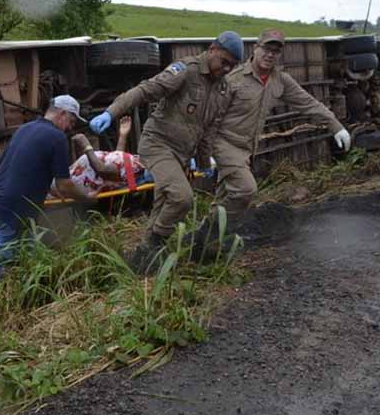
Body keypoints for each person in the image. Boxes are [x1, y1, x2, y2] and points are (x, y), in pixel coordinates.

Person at [89, 31, 244, 271]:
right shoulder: (186, 70)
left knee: (163, 204)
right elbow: (145, 90)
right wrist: (112, 112)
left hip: (182, 154)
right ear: (212, 49)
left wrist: (204, 162)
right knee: (182, 198)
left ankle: (144, 262)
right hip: (157, 145)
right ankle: (154, 243)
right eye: (224, 62)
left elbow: (209, 129)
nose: (226, 69)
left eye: (232, 66)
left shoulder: (222, 90)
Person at [204, 28, 352, 250]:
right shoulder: (234, 79)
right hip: (224, 144)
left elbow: (308, 103)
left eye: (275, 51)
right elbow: (210, 115)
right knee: (246, 189)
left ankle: (207, 240)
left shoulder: (280, 80)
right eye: (266, 49)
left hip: (247, 148)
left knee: (228, 194)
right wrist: (206, 151)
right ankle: (211, 235)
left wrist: (336, 125)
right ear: (256, 48)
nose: (270, 55)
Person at [0, 95, 97, 279]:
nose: (70, 127)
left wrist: (46, 189)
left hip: (3, 201)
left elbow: (1, 166)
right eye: (71, 121)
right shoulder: (57, 137)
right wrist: (86, 197)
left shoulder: (24, 128)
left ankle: (28, 285)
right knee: (4, 256)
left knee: (29, 250)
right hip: (15, 207)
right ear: (62, 114)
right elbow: (64, 185)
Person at [67, 116, 149, 195]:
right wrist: (123, 136)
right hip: (77, 175)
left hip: (77, 181)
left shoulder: (136, 167)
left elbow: (102, 169)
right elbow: (117, 162)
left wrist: (86, 146)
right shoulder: (135, 165)